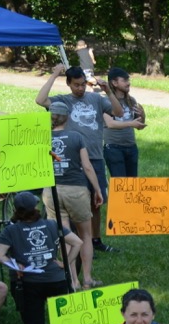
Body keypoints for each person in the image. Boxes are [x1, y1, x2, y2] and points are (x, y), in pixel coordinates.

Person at [0, 192, 80, 324]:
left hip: (27, 283)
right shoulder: (51, 224)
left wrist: (15, 265)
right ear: (35, 208)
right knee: (67, 321)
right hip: (57, 280)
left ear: (16, 210)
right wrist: (65, 264)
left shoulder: (11, 231)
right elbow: (77, 242)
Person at [36, 64, 121, 254]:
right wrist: (55, 73)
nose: (80, 88)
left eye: (83, 84)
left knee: (96, 202)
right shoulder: (63, 101)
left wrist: (108, 91)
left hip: (95, 157)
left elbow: (118, 112)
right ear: (68, 84)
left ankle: (95, 239)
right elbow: (40, 100)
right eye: (76, 85)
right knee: (75, 201)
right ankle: (77, 241)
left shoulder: (96, 99)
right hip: (73, 159)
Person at [43, 99, 102, 289]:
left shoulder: (42, 138)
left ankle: (72, 280)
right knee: (85, 235)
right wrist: (98, 189)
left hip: (51, 191)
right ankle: (86, 278)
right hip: (76, 190)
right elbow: (87, 166)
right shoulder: (76, 137)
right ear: (67, 117)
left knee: (65, 235)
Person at [102, 68, 145, 178]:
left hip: (131, 147)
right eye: (125, 80)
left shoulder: (131, 100)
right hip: (113, 148)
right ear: (114, 83)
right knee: (119, 185)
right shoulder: (105, 101)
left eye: (128, 80)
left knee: (132, 184)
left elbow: (139, 126)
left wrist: (142, 115)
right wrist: (131, 124)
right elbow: (110, 124)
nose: (128, 83)